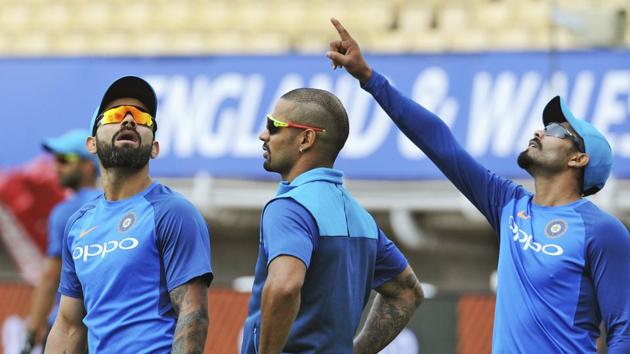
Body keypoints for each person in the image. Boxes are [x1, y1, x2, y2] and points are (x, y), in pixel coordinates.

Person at [326, 18, 630, 354]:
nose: (541, 132)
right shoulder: (509, 204)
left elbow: (623, 331)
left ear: (579, 160)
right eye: (544, 126)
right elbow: (439, 142)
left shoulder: (603, 231)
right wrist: (370, 78)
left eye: (557, 131)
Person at [241, 88, 424, 354]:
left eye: (274, 126)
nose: (263, 134)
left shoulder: (288, 208)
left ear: (306, 138)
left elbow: (285, 287)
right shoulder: (362, 218)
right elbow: (408, 293)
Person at [45, 76, 213, 354]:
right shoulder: (78, 223)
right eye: (114, 115)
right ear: (91, 144)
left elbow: (192, 314)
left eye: (141, 117)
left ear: (155, 147)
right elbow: (68, 326)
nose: (128, 121)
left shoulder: (173, 212)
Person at [21, 130, 100, 354]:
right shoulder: (115, 206)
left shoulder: (66, 212)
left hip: (69, 331)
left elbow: (50, 277)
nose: (56, 166)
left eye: (65, 160)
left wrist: (31, 333)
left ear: (87, 165)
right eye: (56, 160)